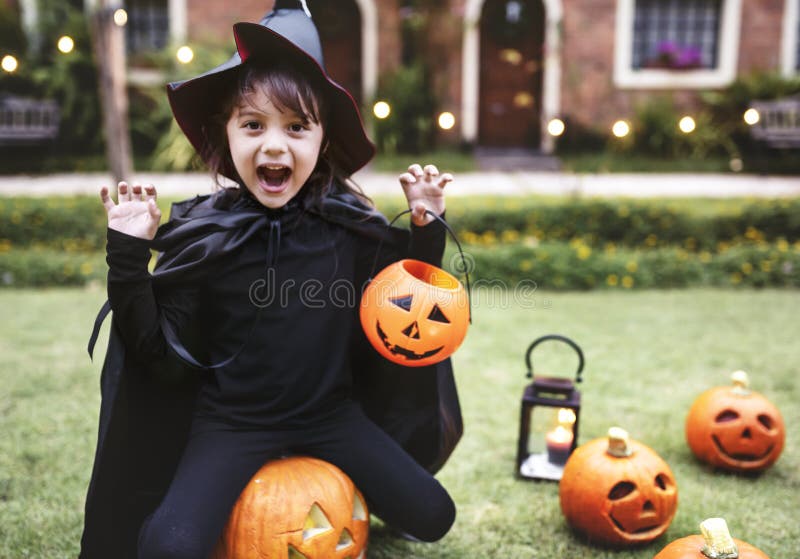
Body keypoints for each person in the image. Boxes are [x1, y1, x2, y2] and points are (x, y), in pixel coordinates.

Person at [79, 2, 463, 558]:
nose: (275, 145)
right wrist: (129, 257)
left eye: (297, 126)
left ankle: (343, 478)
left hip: (330, 416)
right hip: (231, 424)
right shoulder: (203, 235)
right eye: (253, 124)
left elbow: (404, 311)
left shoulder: (349, 228)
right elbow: (153, 354)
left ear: (323, 139)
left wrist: (426, 231)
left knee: (433, 515)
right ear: (227, 134)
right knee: (166, 548)